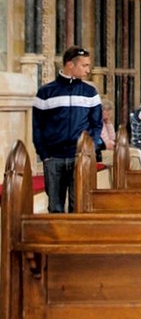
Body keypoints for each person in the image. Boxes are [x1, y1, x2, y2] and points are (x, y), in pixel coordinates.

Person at [32, 45, 103, 213]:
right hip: (53, 158)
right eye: (84, 65)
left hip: (79, 158)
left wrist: (87, 149)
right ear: (70, 65)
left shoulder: (90, 92)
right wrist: (45, 155)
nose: (88, 70)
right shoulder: (45, 93)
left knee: (78, 206)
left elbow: (96, 124)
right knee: (55, 207)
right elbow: (37, 127)